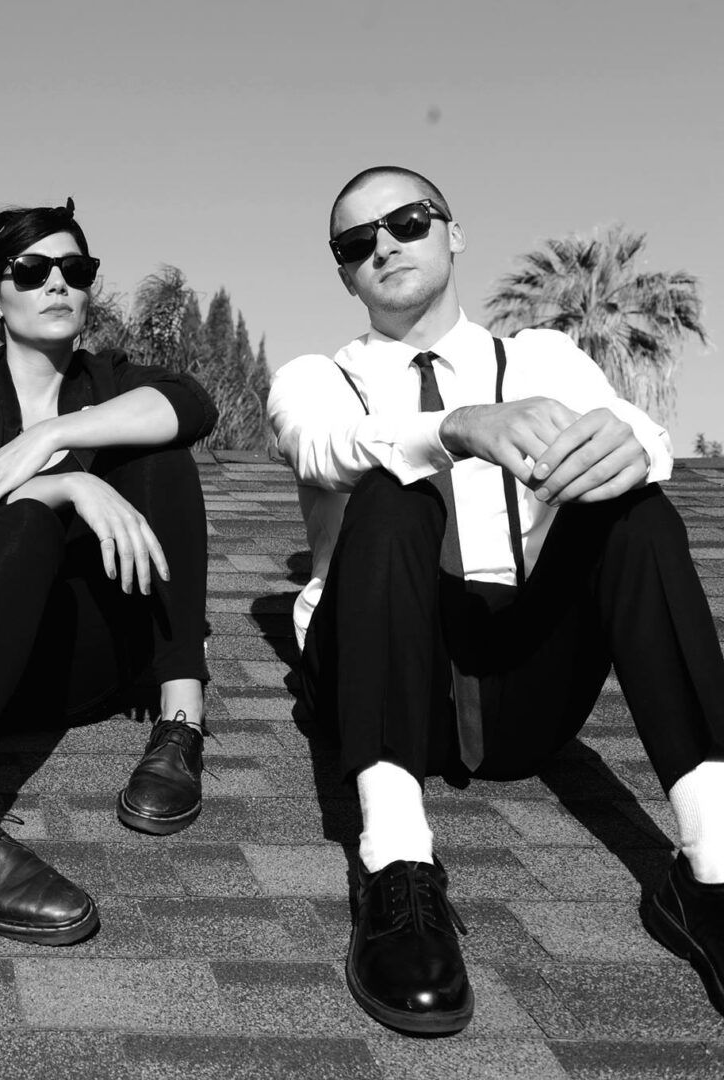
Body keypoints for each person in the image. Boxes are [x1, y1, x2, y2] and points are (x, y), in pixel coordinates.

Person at [267, 165, 724, 1035]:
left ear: (454, 232)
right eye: (356, 243)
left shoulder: (542, 358)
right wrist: (458, 427)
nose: (383, 246)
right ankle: (396, 868)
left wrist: (633, 448)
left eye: (407, 221)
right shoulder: (316, 376)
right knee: (394, 489)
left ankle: (713, 868)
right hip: (372, 675)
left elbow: (636, 432)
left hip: (518, 678)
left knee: (632, 503)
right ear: (345, 275)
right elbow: (326, 446)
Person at [0, 199, 218, 946]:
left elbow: (192, 405)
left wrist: (52, 437)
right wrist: (69, 483)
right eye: (32, 270)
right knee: (27, 518)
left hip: (78, 661)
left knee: (160, 447)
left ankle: (180, 724)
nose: (57, 284)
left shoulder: (110, 381)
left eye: (75, 269)